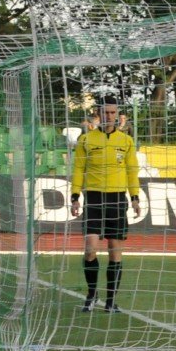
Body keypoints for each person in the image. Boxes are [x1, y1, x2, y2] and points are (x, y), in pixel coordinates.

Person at [70, 96, 141, 313]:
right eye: (106, 112)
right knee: (90, 250)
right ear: (98, 114)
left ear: (117, 114)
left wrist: (135, 197)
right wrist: (75, 197)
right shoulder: (86, 140)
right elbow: (79, 169)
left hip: (117, 199)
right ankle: (92, 294)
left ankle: (111, 301)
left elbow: (132, 171)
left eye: (113, 112)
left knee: (114, 251)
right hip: (93, 199)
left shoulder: (126, 141)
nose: (109, 116)